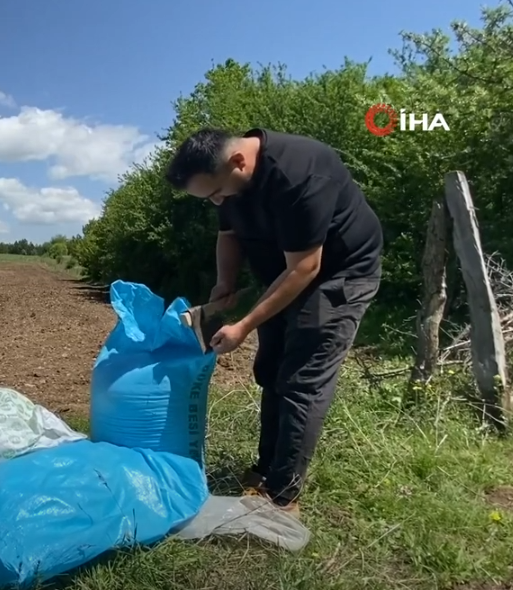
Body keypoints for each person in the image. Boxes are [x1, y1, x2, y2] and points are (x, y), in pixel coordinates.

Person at [164, 128, 384, 516]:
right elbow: (228, 235)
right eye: (209, 198)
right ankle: (266, 470)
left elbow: (305, 268)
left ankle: (282, 497)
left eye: (216, 192)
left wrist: (244, 324)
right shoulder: (226, 179)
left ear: (238, 162)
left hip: (339, 274)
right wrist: (224, 283)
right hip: (283, 275)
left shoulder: (302, 174)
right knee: (271, 370)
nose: (217, 201)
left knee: (302, 380)